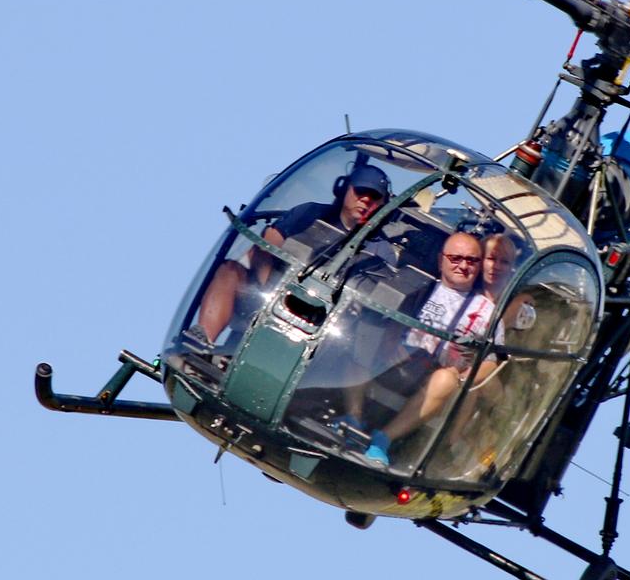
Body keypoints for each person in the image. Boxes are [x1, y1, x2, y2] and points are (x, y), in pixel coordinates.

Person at [197, 164, 392, 344]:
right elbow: (266, 245)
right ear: (344, 189)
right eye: (360, 191)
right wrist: (272, 296)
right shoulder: (309, 213)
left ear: (384, 204)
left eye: (374, 196)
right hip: (269, 298)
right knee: (229, 271)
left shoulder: (381, 251)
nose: (365, 199)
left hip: (324, 329)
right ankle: (201, 342)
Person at [364, 230, 510, 462]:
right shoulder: (417, 285)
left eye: (471, 261)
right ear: (441, 259)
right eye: (456, 258)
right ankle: (351, 414)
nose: (463, 266)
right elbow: (387, 316)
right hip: (394, 361)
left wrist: (462, 378)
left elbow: (492, 364)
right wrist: (391, 340)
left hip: (435, 379)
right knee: (364, 328)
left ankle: (383, 439)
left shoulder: (488, 313)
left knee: (447, 379)